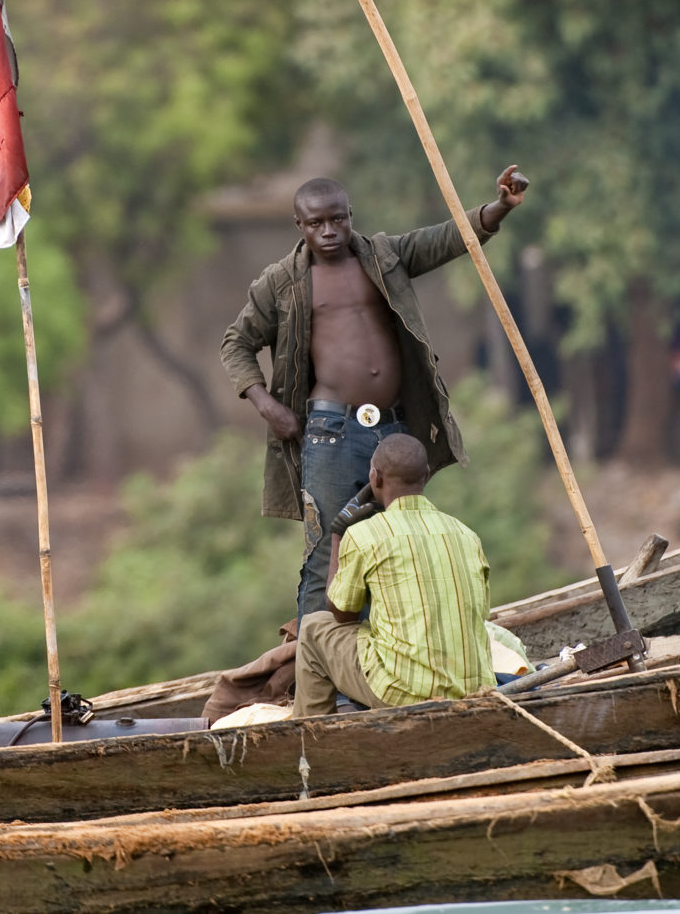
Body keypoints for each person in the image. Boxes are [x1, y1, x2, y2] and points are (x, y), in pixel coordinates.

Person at [220, 166, 527, 620]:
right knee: (326, 553)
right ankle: (319, 679)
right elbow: (236, 343)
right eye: (316, 223)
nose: (329, 231)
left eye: (337, 219)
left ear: (350, 216)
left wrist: (498, 206)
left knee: (394, 547)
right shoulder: (282, 282)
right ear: (299, 226)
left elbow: (445, 239)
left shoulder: (384, 256)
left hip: (392, 430)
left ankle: (379, 665)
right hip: (330, 432)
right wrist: (268, 407)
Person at [293, 433, 493, 716]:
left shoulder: (364, 535)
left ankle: (309, 740)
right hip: (473, 690)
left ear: (375, 478)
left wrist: (339, 534)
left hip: (402, 692)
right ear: (425, 475)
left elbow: (342, 614)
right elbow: (482, 613)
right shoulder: (466, 534)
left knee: (313, 627)